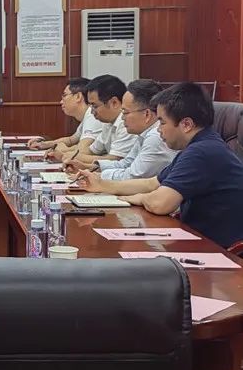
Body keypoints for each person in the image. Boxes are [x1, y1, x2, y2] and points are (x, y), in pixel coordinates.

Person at [76, 82, 243, 249]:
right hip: (198, 241)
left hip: (220, 252)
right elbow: (151, 183)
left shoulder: (202, 152)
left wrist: (140, 198)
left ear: (186, 124)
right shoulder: (198, 147)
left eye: (162, 122)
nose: (158, 130)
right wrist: (102, 184)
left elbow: (160, 203)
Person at [65, 79, 176, 179]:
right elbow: (125, 163)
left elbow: (132, 176)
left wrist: (95, 175)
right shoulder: (144, 134)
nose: (122, 117)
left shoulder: (155, 137)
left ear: (146, 114)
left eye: (126, 112)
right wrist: (88, 167)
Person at [63, 74, 137, 167]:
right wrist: (68, 154)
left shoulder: (127, 123)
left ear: (114, 103)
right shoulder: (108, 123)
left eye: (95, 106)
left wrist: (74, 157)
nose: (92, 111)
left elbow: (115, 159)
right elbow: (91, 150)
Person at [27, 78, 104, 161]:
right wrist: (45, 144)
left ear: (78, 96)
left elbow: (82, 150)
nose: (61, 102)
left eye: (64, 95)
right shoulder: (87, 115)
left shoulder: (92, 115)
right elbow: (71, 139)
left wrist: (62, 149)